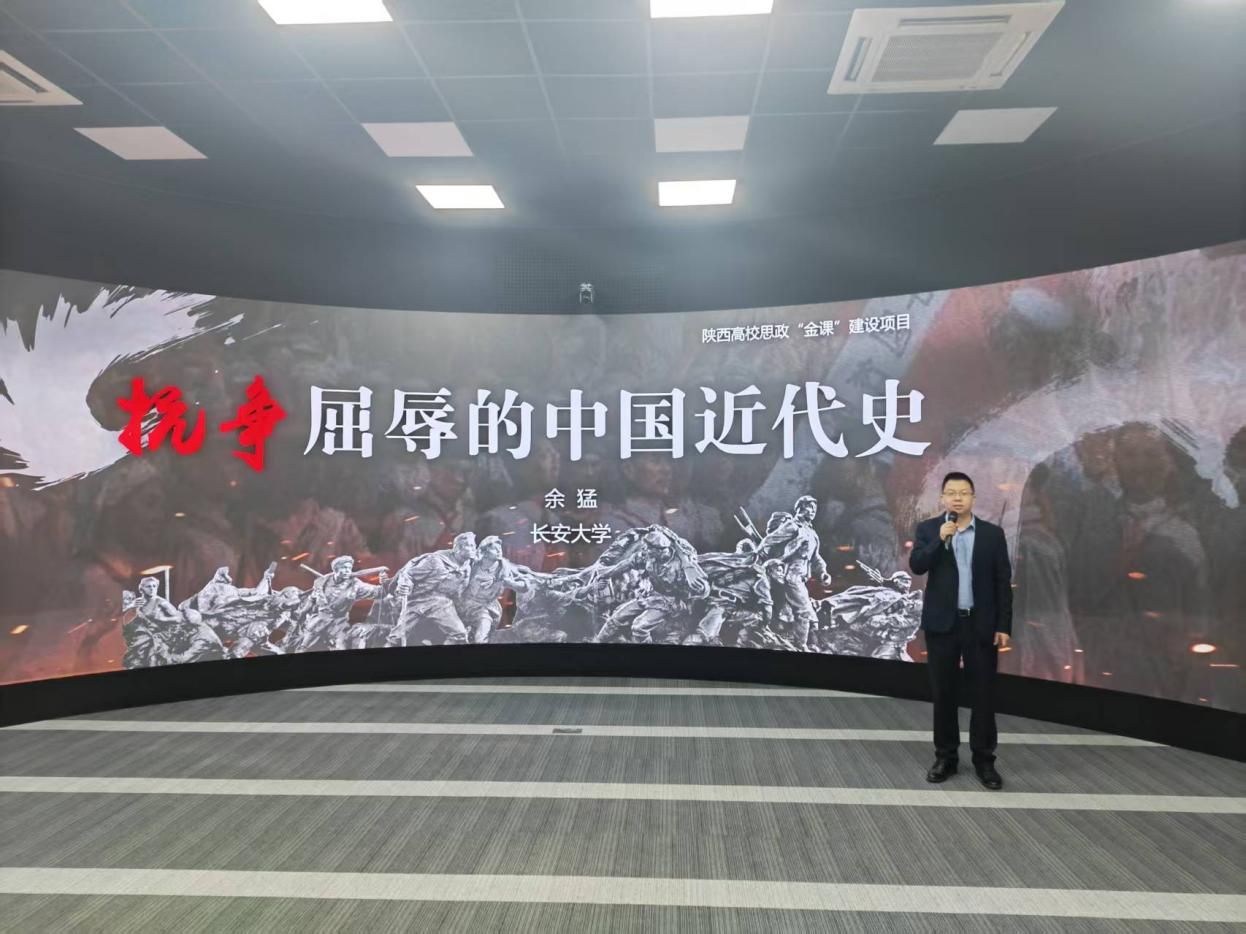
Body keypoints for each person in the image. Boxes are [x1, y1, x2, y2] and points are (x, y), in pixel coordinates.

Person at [909, 472, 1013, 790]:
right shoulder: (929, 529)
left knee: (983, 694)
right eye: (951, 493)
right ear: (942, 498)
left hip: (980, 624)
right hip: (943, 624)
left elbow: (1002, 582)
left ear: (973, 498)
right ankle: (946, 757)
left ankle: (984, 760)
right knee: (944, 694)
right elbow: (917, 565)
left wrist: (1003, 625)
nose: (957, 498)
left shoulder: (992, 535)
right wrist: (939, 540)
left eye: (964, 493)